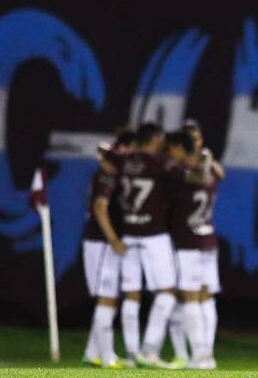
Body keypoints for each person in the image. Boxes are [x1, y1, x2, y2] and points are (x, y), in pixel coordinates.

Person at [111, 122, 178, 368]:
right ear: (156, 138)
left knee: (131, 295)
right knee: (167, 293)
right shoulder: (160, 165)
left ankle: (131, 354)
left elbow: (106, 155)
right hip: (153, 234)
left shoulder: (124, 161)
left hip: (129, 233)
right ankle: (149, 351)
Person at [165, 130, 222, 369]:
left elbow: (189, 177)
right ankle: (207, 355)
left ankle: (199, 355)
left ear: (180, 148)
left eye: (172, 148)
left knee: (189, 298)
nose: (170, 153)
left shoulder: (180, 173)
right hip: (208, 240)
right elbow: (213, 175)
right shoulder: (208, 174)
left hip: (188, 242)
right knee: (206, 299)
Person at [81, 130, 137, 369]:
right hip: (101, 242)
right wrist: (114, 239)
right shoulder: (107, 175)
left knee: (108, 299)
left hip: (101, 242)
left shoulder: (113, 169)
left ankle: (92, 353)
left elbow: (102, 150)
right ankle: (107, 357)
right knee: (107, 299)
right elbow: (100, 207)